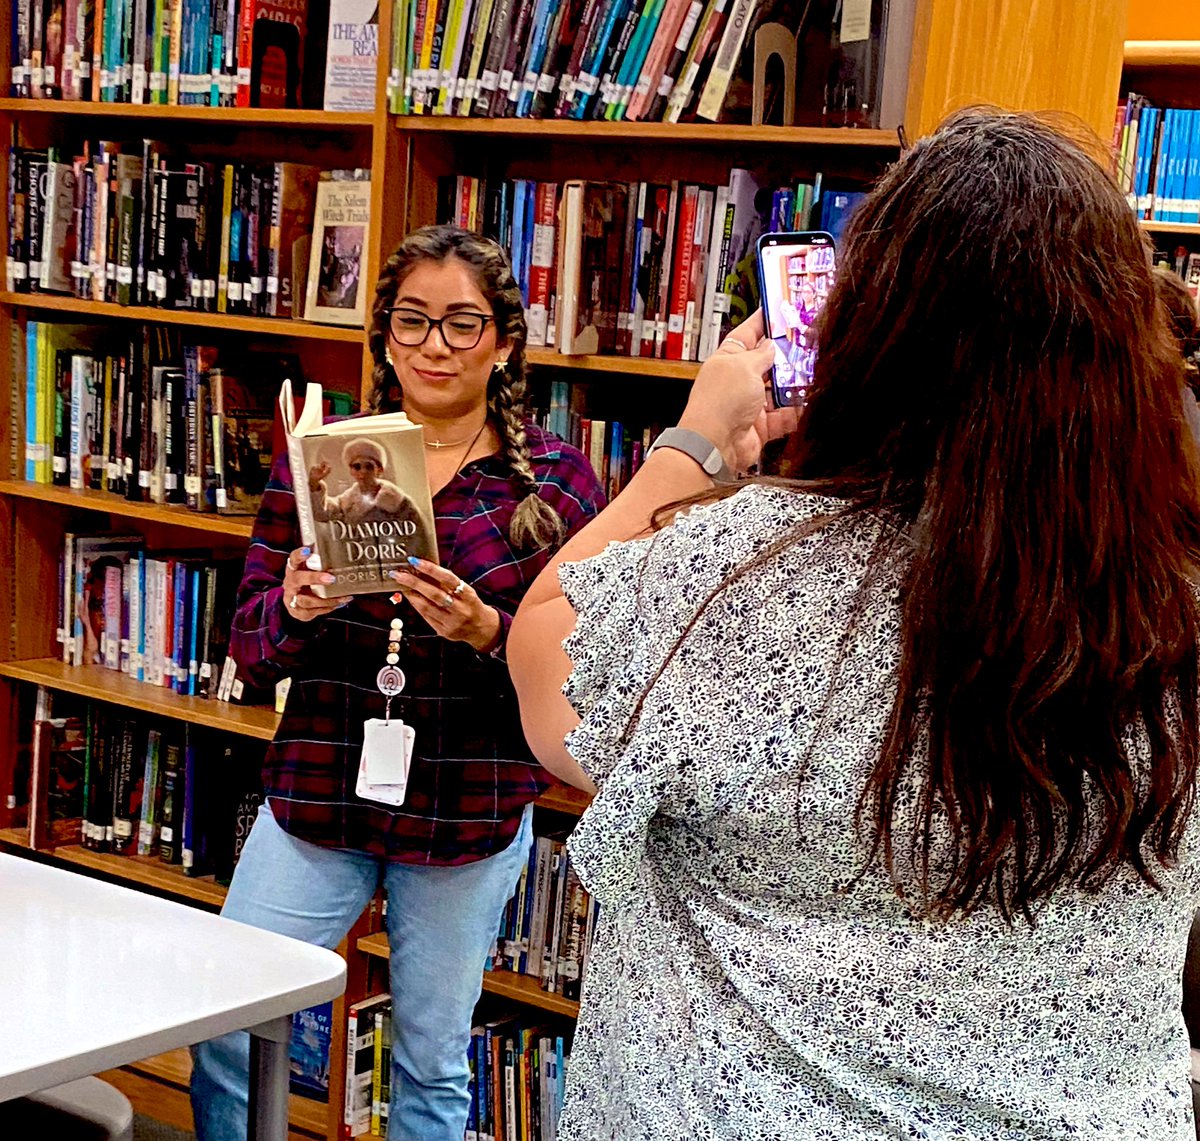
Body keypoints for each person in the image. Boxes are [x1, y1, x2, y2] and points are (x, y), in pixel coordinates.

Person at [508, 110, 1200, 1140]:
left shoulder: (732, 575)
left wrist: (692, 447)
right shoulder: (1175, 603)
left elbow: (543, 662)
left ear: (866, 330)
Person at [190, 224, 605, 1141]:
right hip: (318, 797)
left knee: (429, 1060)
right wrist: (294, 607)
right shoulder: (328, 459)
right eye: (412, 321)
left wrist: (489, 631)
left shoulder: (564, 487)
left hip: (465, 813)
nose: (434, 345)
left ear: (503, 342)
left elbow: (589, 680)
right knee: (225, 1026)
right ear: (383, 336)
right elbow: (251, 652)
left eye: (462, 324)